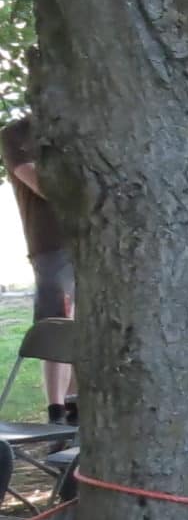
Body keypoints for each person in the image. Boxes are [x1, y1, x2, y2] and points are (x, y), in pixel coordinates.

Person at [2, 103, 73, 420]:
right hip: (51, 246)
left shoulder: (84, 125)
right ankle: (56, 410)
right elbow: (41, 184)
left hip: (93, 242)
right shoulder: (15, 134)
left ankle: (78, 408)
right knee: (56, 325)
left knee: (91, 324)